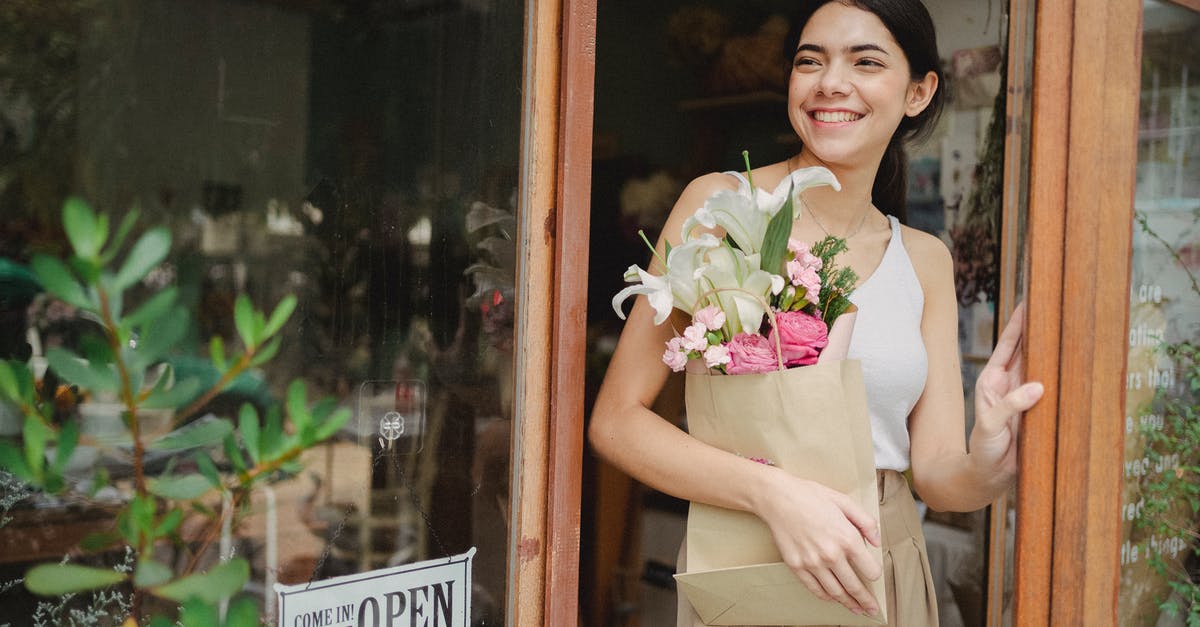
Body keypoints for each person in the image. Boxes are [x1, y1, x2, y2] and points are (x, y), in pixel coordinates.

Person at [587, 1, 1046, 625]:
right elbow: (616, 422)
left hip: (879, 558)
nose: (831, 82)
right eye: (810, 61)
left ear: (918, 92)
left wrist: (989, 463)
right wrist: (773, 494)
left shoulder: (924, 259)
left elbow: (938, 477)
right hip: (749, 554)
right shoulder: (723, 208)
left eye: (865, 62)